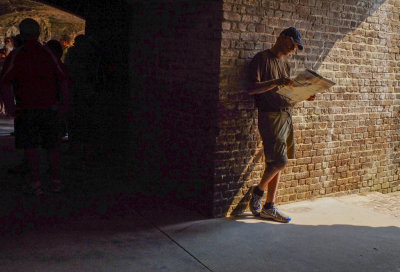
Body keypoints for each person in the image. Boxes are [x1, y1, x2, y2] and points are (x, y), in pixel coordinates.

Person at [247, 27, 315, 223]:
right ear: (283, 37)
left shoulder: (285, 65)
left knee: (276, 163)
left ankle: (270, 206)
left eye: (296, 48)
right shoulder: (261, 59)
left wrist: (302, 96)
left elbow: (286, 96)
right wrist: (276, 81)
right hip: (269, 116)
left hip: (286, 115)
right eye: (292, 45)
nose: (293, 50)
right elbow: (252, 89)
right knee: (280, 161)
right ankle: (258, 191)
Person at [0, 18, 70, 195]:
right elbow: (63, 79)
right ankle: (56, 181)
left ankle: (36, 183)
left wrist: (10, 107)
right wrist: (64, 104)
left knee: (30, 147)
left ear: (21, 34)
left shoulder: (17, 55)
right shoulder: (48, 54)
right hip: (50, 108)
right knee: (52, 146)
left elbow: (6, 82)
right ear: (38, 33)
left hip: (26, 108)